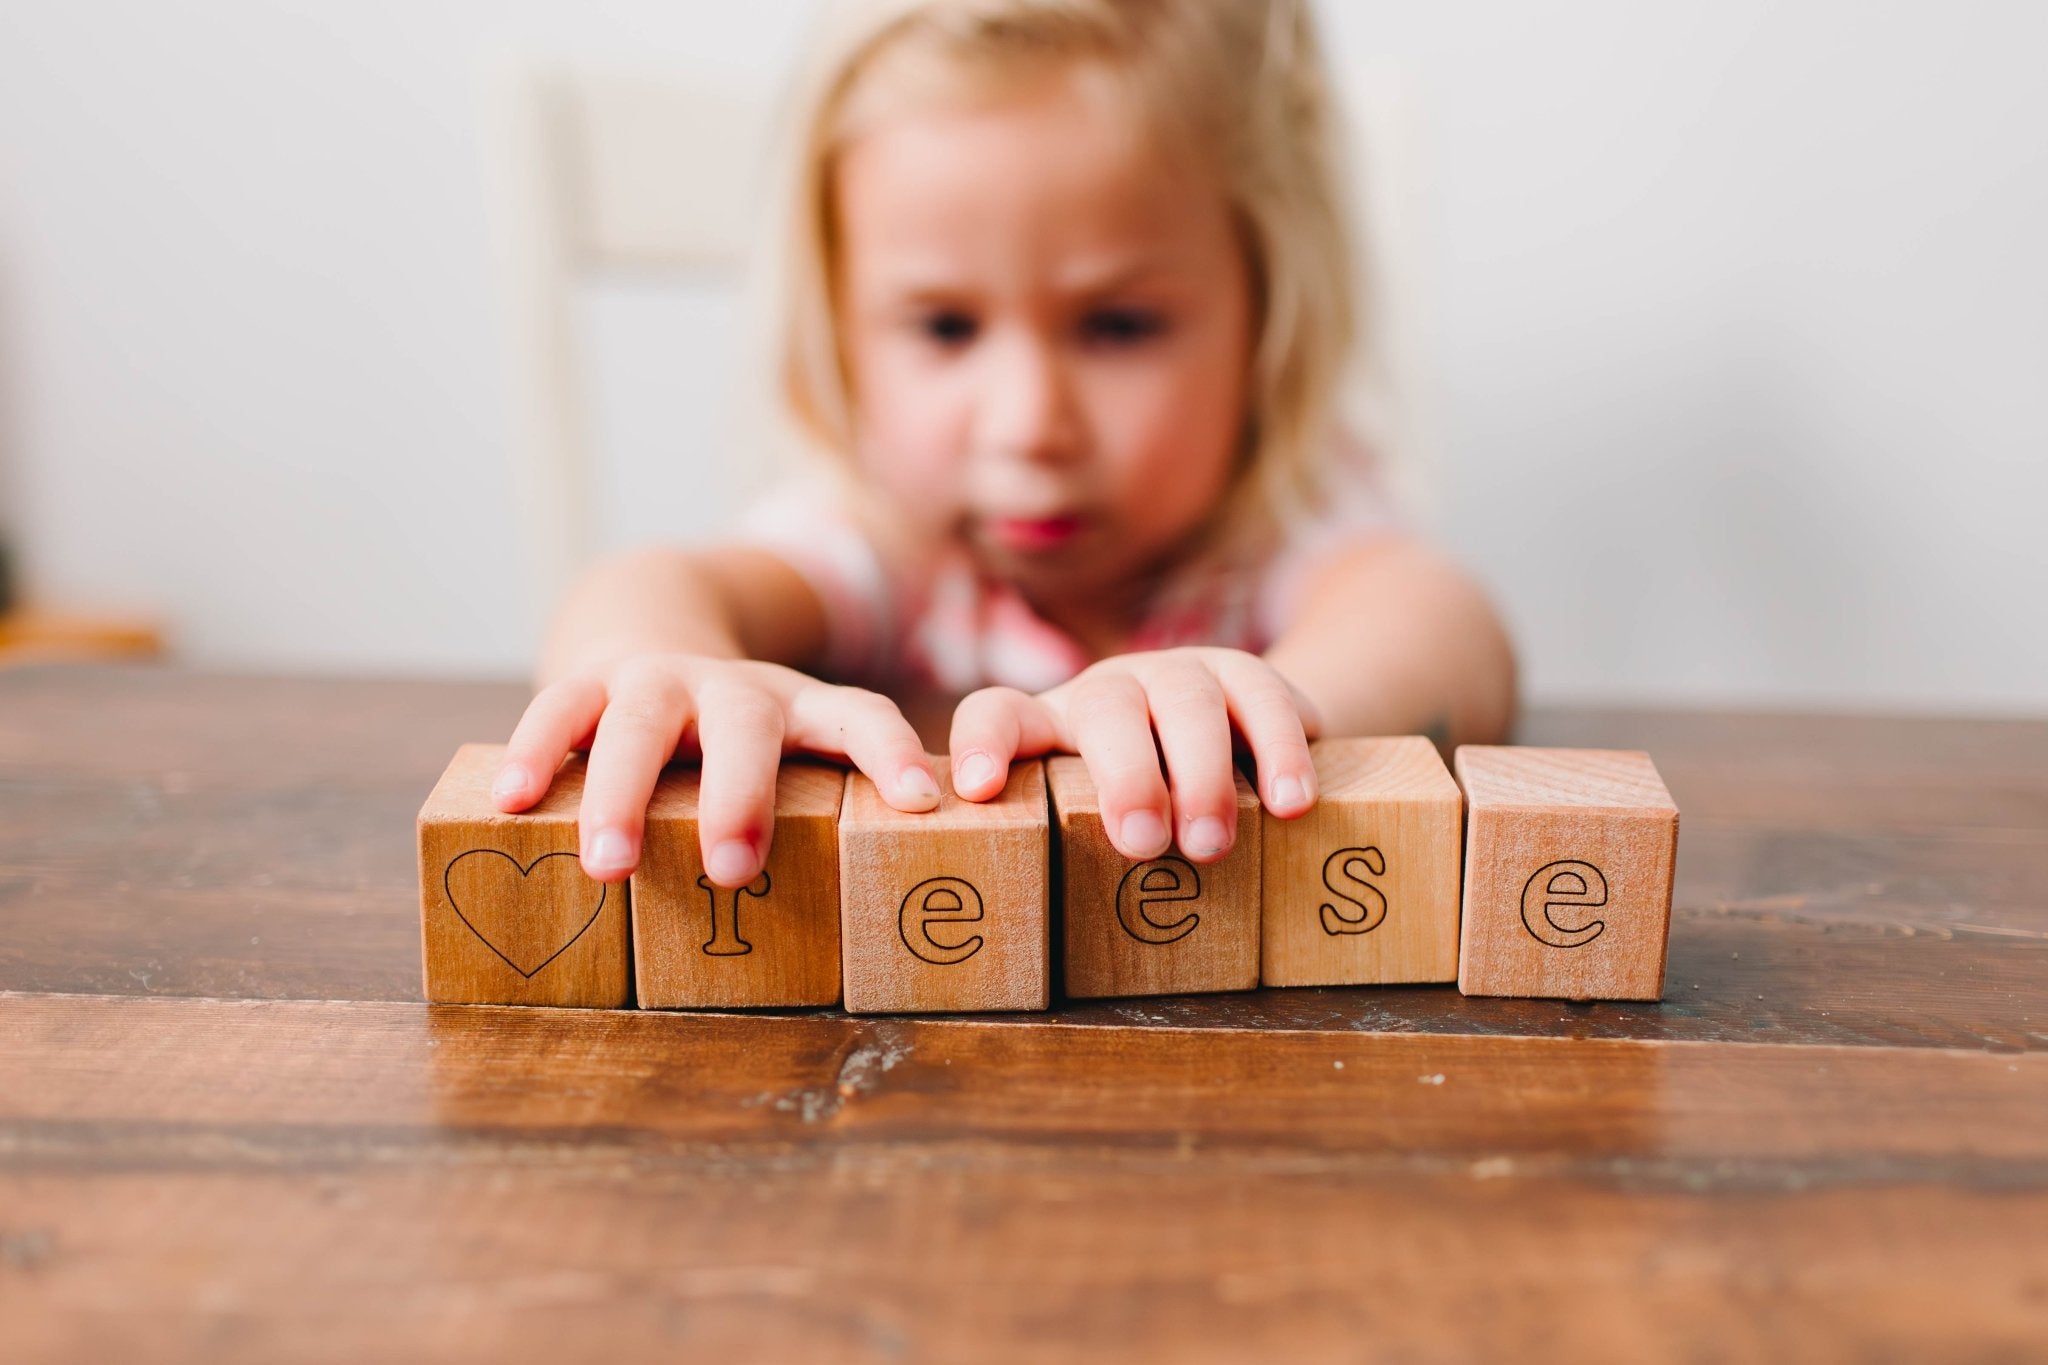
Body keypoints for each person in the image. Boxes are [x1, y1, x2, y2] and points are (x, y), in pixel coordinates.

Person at [493, 0, 1516, 892]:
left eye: (1118, 326)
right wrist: (662, 671)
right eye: (944, 327)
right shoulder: (880, 538)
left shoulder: (1277, 526)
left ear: (1268, 313)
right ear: (839, 332)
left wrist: (1282, 706)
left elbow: (1446, 632)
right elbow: (642, 588)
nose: (1027, 423)